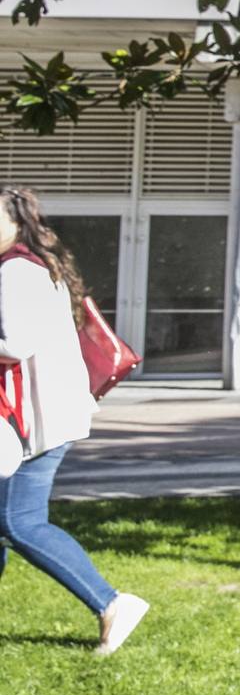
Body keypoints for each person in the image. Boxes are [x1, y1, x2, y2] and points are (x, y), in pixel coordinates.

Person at [0, 185, 149, 655]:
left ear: (14, 222)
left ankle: (112, 603)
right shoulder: (29, 266)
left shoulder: (18, 271)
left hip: (32, 422)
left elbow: (12, 343)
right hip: (41, 416)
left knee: (18, 521)